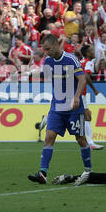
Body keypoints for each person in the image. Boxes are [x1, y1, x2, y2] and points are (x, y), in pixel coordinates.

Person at [27, 34, 92, 184]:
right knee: (49, 137)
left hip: (74, 107)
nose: (47, 52)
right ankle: (43, 173)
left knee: (81, 139)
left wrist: (76, 97)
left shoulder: (71, 59)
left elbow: (82, 79)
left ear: (56, 45)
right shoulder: (48, 61)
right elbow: (46, 75)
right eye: (44, 50)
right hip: (56, 106)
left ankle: (89, 171)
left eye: (48, 49)